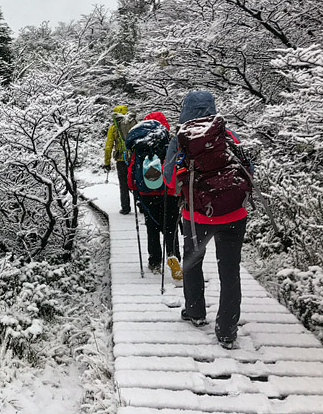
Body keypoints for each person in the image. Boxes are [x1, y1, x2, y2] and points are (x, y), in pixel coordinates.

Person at [163, 90, 252, 350]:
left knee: (192, 262)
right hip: (234, 214)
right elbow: (249, 170)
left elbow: (168, 179)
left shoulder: (180, 139)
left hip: (197, 215)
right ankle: (226, 329)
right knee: (230, 270)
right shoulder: (226, 133)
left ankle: (195, 311)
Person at [125, 112, 182, 279]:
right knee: (170, 227)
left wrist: (134, 190)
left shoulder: (140, 145)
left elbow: (131, 171)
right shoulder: (171, 143)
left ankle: (155, 261)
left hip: (146, 193)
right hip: (169, 192)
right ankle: (173, 257)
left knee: (152, 227)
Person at [103, 105, 136, 214]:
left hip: (121, 160)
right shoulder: (133, 124)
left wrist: (107, 163)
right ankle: (141, 205)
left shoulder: (113, 127)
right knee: (136, 181)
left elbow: (108, 146)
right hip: (134, 159)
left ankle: (125, 208)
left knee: (124, 184)